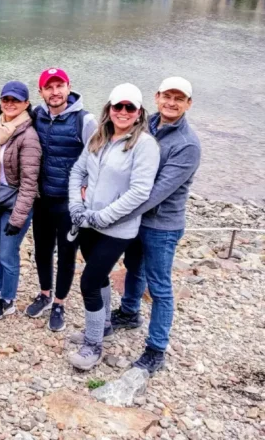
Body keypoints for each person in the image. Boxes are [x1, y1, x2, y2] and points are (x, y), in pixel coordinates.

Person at [67, 83, 160, 371]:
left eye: (129, 107)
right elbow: (77, 171)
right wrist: (76, 207)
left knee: (89, 282)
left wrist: (103, 217)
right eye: (117, 106)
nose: (122, 112)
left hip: (116, 229)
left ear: (139, 112)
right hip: (88, 222)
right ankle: (104, 325)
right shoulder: (99, 137)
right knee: (101, 277)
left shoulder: (145, 146)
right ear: (108, 109)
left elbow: (139, 192)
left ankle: (93, 344)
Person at [112, 78, 200, 374]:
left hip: (162, 224)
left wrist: (114, 213)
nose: (171, 103)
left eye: (179, 98)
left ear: (188, 103)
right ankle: (129, 312)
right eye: (167, 96)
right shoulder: (145, 123)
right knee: (133, 267)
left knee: (160, 286)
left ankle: (156, 348)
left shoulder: (187, 145)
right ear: (157, 97)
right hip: (137, 219)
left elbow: (157, 192)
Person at [25, 69, 96, 331]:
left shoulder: (85, 120)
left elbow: (97, 159)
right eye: (49, 87)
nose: (54, 92)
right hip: (42, 198)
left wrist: (87, 192)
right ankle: (44, 294)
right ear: (41, 91)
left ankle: (59, 302)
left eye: (59, 86)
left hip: (69, 203)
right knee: (42, 250)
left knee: (67, 254)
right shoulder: (37, 116)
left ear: (69, 87)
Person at [0, 82, 41, 320]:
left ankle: (9, 300)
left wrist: (19, 217)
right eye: (6, 100)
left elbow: (29, 183)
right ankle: (2, 291)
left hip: (14, 204)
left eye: (15, 100)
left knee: (8, 254)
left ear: (26, 104)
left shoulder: (28, 136)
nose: (10, 104)